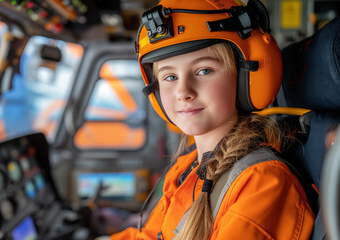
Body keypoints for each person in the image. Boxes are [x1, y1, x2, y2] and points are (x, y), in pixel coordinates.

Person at [109, 0, 315, 239]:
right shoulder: (187, 167)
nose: (183, 91)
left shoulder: (262, 183)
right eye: (170, 77)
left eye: (204, 71)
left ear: (244, 79)